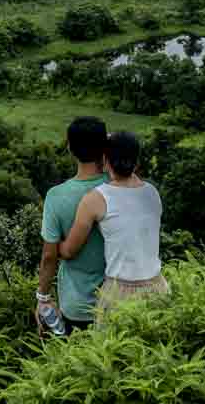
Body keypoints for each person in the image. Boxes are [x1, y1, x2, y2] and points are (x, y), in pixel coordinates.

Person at [59, 128, 168, 316]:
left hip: (119, 294)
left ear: (105, 160)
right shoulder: (152, 193)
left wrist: (55, 246)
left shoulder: (96, 198)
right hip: (158, 287)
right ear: (137, 162)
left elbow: (69, 251)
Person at [34, 116, 108, 336]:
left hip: (75, 305)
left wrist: (43, 298)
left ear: (69, 147)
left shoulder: (56, 197)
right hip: (116, 299)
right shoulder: (116, 188)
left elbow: (49, 256)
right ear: (104, 147)